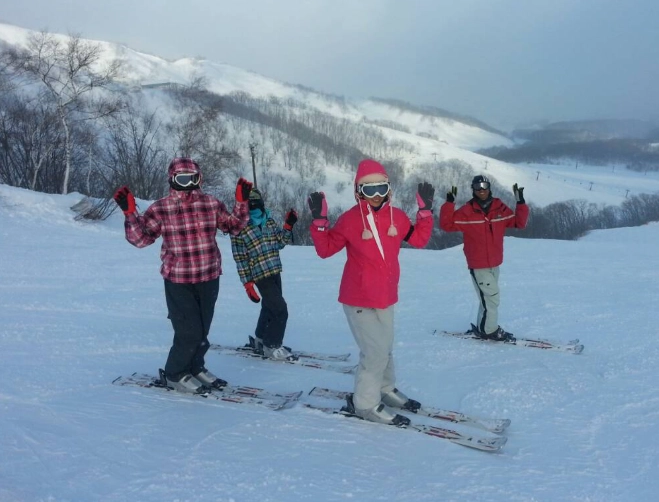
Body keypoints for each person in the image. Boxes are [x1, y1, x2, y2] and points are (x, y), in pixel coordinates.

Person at [308, 159, 434, 426]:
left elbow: (419, 240)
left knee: (385, 348)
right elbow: (326, 249)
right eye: (369, 190)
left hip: (386, 295)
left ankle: (385, 389)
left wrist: (425, 212)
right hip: (358, 298)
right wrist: (319, 222)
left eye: (380, 188)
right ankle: (365, 404)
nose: (376, 196)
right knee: (374, 352)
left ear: (388, 189)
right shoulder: (350, 220)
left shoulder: (397, 217)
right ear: (358, 192)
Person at [113, 157, 251, 394]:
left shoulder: (211, 203)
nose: (187, 185)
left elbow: (235, 227)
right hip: (179, 279)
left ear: (199, 179)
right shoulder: (161, 208)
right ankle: (175, 373)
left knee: (203, 329)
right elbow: (140, 239)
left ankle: (195, 367)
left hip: (209, 275)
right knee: (189, 331)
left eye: (192, 179)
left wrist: (241, 202)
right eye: (181, 179)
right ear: (172, 180)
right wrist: (130, 213)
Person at [439, 174, 529, 342]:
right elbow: (446, 224)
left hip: (495, 263)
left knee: (486, 298)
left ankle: (483, 327)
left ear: (489, 187)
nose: (481, 190)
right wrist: (449, 203)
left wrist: (520, 203)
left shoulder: (500, 208)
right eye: (477, 187)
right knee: (492, 298)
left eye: (484, 186)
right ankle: (489, 330)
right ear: (473, 189)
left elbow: (519, 223)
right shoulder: (467, 212)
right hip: (478, 264)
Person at [230, 187, 298, 360]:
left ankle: (261, 338)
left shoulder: (268, 220)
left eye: (255, 201)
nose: (253, 205)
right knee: (280, 310)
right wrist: (247, 284)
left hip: (275, 270)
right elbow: (240, 258)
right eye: (249, 202)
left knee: (269, 307)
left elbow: (280, 243)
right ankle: (272, 345)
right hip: (260, 274)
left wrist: (288, 226)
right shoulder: (239, 227)